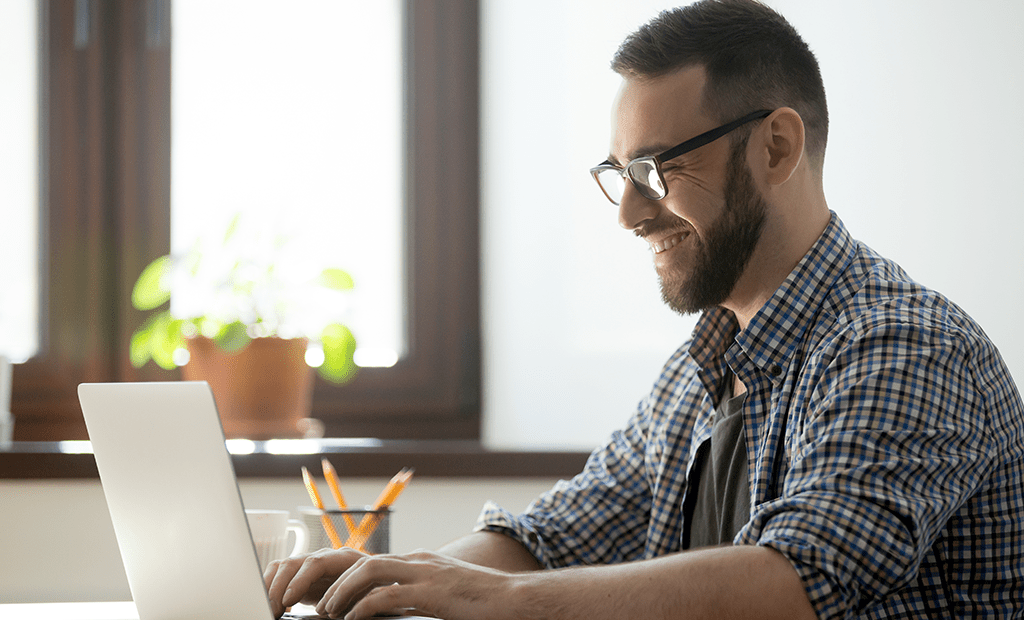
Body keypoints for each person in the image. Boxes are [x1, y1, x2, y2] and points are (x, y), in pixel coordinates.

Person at [265, 1, 1024, 618]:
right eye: (620, 172)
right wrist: (391, 580)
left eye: (658, 169)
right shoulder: (703, 364)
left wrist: (493, 600)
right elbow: (556, 539)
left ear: (778, 148)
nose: (629, 213)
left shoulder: (904, 344)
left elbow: (797, 580)